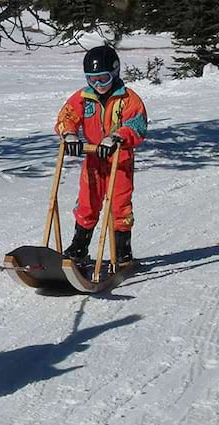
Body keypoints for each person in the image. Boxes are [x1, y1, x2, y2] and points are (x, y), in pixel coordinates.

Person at [55, 44, 148, 265]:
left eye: (103, 79)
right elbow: (66, 117)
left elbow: (137, 126)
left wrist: (117, 137)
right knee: (87, 202)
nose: (97, 85)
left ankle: (122, 251)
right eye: (92, 79)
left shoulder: (128, 99)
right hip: (93, 159)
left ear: (115, 73)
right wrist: (69, 134)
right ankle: (79, 247)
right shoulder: (83, 97)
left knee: (119, 204)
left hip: (120, 160)